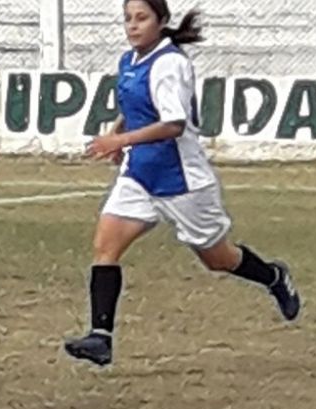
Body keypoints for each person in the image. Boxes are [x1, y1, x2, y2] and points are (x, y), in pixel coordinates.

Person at [64, 0, 301, 367]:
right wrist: (117, 134)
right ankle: (100, 337)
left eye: (141, 18)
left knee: (218, 259)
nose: (132, 26)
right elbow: (135, 107)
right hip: (139, 176)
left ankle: (273, 276)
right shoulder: (130, 61)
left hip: (182, 181)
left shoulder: (170, 63)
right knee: (104, 248)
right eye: (127, 19)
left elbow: (173, 124)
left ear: (161, 21)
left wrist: (118, 141)